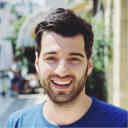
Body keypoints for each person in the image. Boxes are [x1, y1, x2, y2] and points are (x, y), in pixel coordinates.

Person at [6, 8, 128, 128]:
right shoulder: (18, 124)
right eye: (51, 58)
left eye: (74, 59)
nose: (62, 71)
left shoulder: (121, 123)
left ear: (89, 65)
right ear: (37, 63)